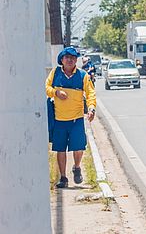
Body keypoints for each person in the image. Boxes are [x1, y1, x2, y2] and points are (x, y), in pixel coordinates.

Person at [45, 47, 96, 188]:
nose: (70, 60)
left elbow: (91, 93)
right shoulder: (55, 73)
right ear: (61, 60)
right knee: (60, 149)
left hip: (76, 119)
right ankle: (63, 178)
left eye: (73, 58)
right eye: (67, 57)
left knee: (79, 147)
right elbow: (46, 88)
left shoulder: (82, 75)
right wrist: (56, 92)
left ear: (76, 61)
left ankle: (77, 167)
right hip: (59, 120)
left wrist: (91, 108)